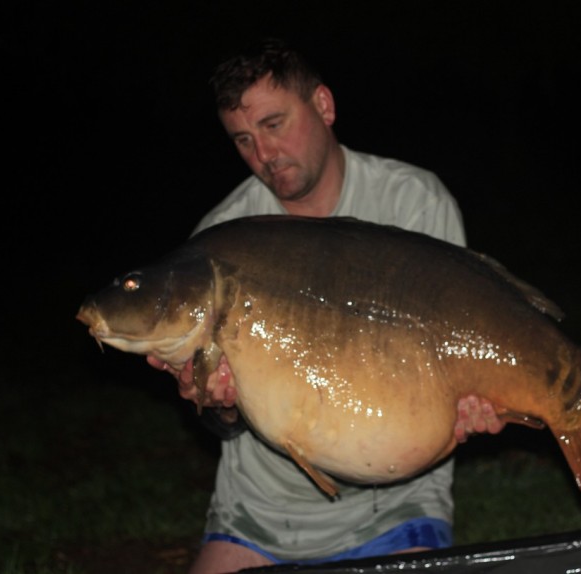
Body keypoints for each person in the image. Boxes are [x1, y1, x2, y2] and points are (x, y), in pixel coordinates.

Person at [148, 37, 506, 573]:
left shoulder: (412, 201)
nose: (264, 154)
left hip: (396, 504)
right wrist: (218, 403)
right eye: (243, 139)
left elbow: (458, 343)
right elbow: (223, 425)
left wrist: (476, 398)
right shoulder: (221, 239)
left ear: (323, 105)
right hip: (261, 512)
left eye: (274, 124)